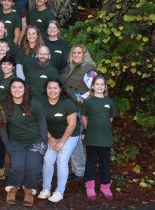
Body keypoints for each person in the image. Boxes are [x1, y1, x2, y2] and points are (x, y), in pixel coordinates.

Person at [0, 79, 48, 206]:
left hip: (35, 141)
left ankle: (28, 190)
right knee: (18, 165)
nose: (17, 90)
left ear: (25, 89)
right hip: (16, 142)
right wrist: (8, 145)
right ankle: (12, 188)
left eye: (20, 87)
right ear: (10, 90)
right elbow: (3, 129)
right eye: (14, 87)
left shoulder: (34, 103)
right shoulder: (4, 106)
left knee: (33, 165)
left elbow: (42, 123)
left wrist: (44, 142)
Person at [38, 79, 80, 203]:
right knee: (48, 160)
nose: (52, 90)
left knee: (62, 160)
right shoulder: (41, 103)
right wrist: (50, 138)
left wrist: (61, 142)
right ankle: (46, 189)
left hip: (69, 135)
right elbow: (41, 123)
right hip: (51, 136)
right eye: (49, 88)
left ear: (60, 89)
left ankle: (59, 192)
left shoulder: (67, 103)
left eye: (55, 88)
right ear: (46, 89)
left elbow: (72, 125)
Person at [60, 44, 97, 180]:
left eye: (79, 53)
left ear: (84, 54)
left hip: (81, 109)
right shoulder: (69, 67)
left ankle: (80, 170)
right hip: (68, 108)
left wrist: (80, 100)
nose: (76, 55)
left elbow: (93, 91)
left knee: (74, 138)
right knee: (74, 138)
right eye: (74, 53)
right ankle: (79, 169)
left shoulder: (89, 70)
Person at [81, 76, 116, 201]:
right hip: (92, 138)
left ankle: (105, 186)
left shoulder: (109, 101)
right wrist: (88, 128)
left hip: (105, 139)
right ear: (93, 86)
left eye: (102, 84)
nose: (100, 86)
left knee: (105, 163)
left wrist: (103, 127)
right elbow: (83, 116)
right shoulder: (88, 101)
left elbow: (110, 118)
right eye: (97, 84)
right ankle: (90, 185)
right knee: (91, 162)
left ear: (105, 87)